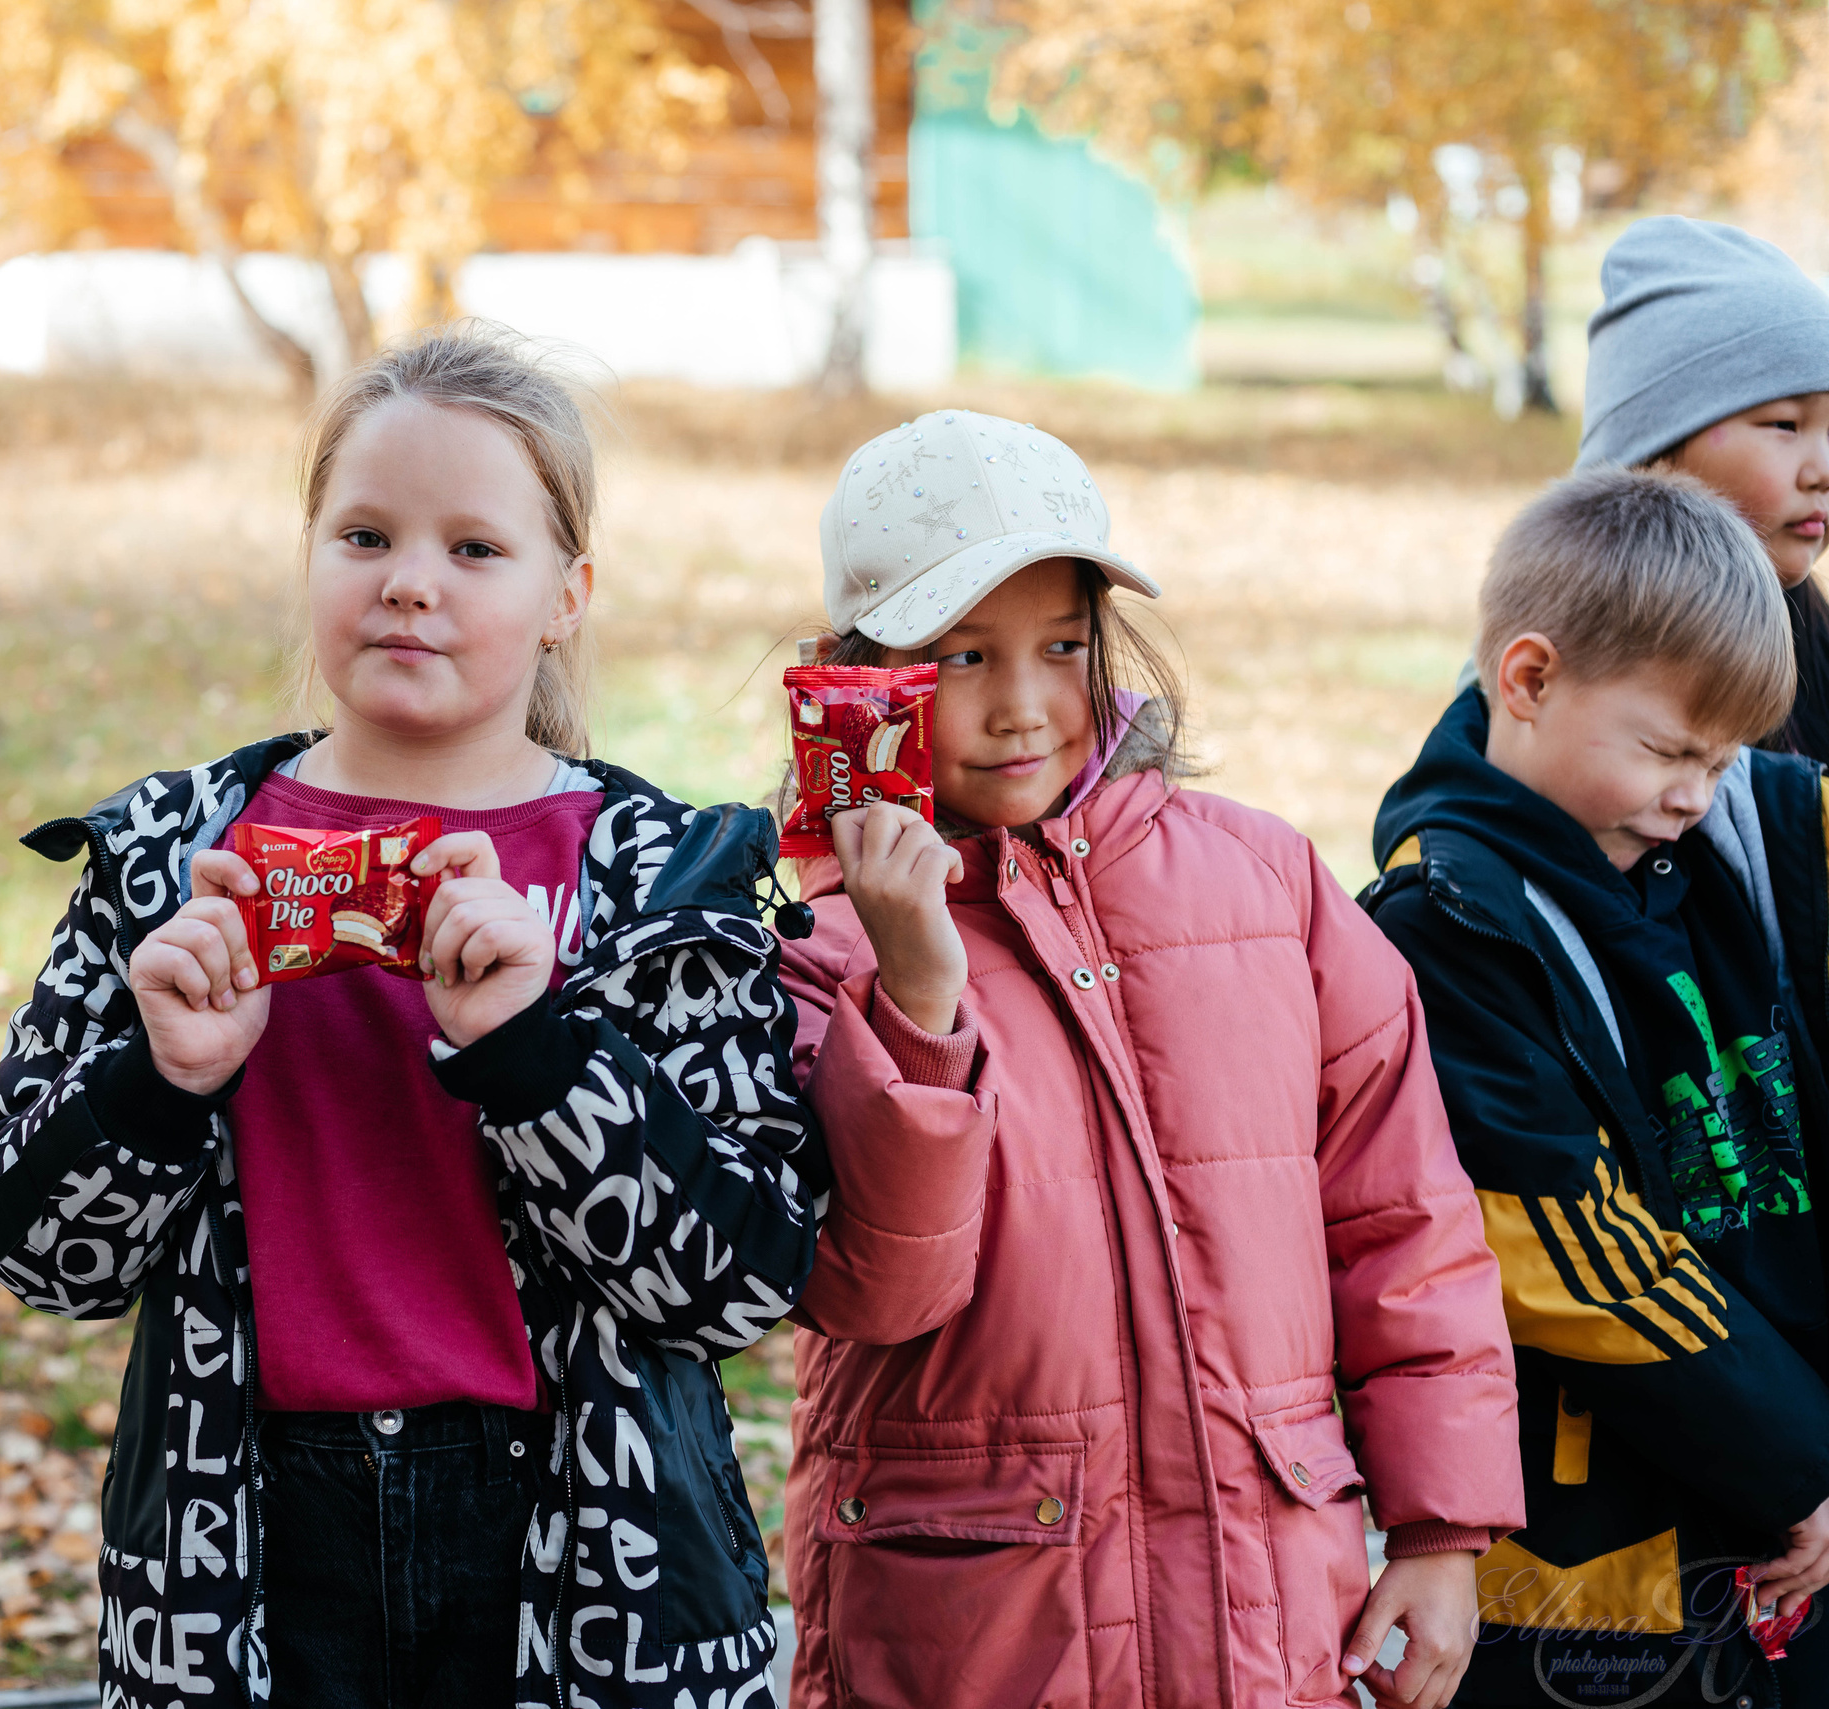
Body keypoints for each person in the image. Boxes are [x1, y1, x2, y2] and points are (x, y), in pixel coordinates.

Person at [0, 325, 826, 1708]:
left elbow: (743, 1278)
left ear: (567, 596)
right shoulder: (175, 855)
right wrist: (162, 1080)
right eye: (364, 536)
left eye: (475, 548)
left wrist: (536, 1057)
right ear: (309, 557)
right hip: (244, 1544)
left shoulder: (660, 877)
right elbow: (37, 1252)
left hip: (587, 1551)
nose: (410, 582)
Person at [774, 409, 1524, 1709]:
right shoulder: (817, 949)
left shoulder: (1267, 884)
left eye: (1062, 646)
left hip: (1265, 1620)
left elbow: (1401, 1217)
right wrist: (915, 997)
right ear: (862, 680)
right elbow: (875, 1288)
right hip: (979, 1638)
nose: (1023, 705)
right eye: (962, 656)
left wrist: (1441, 1527)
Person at [1364, 467, 1829, 1707]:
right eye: (1669, 751)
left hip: (1770, 1528)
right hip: (1593, 1588)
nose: (1696, 794)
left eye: (1722, 759)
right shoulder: (1449, 925)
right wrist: (1800, 1458)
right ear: (1527, 679)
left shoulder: (1720, 836)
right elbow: (1569, 1256)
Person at [1578, 216, 1829, 756]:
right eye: (1786, 425)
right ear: (1655, 449)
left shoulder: (1814, 639)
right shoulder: (1581, 660)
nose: (1823, 471)